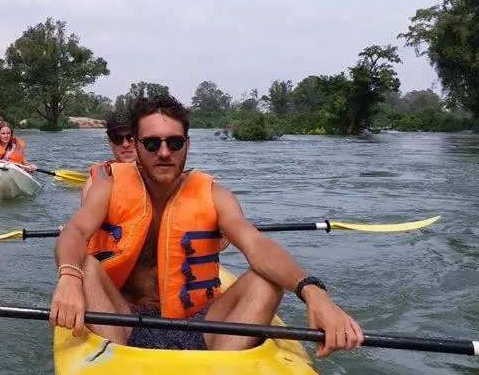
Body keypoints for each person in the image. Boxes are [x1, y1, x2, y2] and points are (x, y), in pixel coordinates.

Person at [49, 93, 364, 356]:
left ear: (187, 144)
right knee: (85, 266)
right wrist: (68, 278)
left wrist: (314, 293)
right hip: (123, 322)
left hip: (200, 325)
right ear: (138, 146)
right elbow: (75, 232)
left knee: (265, 279)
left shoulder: (216, 194)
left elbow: (256, 245)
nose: (163, 153)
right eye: (151, 143)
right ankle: (117, 374)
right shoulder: (108, 187)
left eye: (174, 143)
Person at [80, 109, 138, 205]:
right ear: (109, 142)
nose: (125, 144)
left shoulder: (158, 176)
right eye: (117, 139)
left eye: (131, 137)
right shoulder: (93, 184)